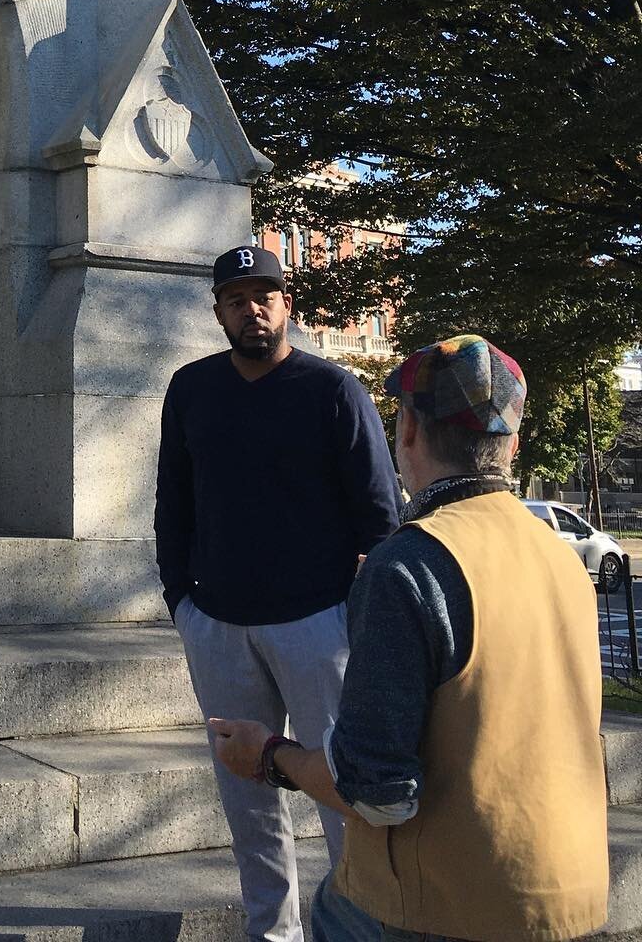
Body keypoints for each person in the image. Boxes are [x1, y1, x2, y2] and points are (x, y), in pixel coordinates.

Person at [209, 335, 609, 942]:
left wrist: (269, 756)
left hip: (448, 905)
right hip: (572, 892)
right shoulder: (560, 558)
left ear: (410, 434)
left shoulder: (408, 564)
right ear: (514, 444)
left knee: (333, 908)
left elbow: (378, 793)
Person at [156, 244, 401, 942]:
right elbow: (173, 503)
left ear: (287, 305)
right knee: (248, 803)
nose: (252, 308)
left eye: (265, 295)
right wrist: (183, 603)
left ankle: (361, 927)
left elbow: (381, 518)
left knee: (340, 793)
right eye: (237, 299)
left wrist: (354, 616)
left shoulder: (334, 390)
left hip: (318, 626)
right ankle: (273, 933)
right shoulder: (191, 389)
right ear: (219, 313)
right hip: (218, 626)